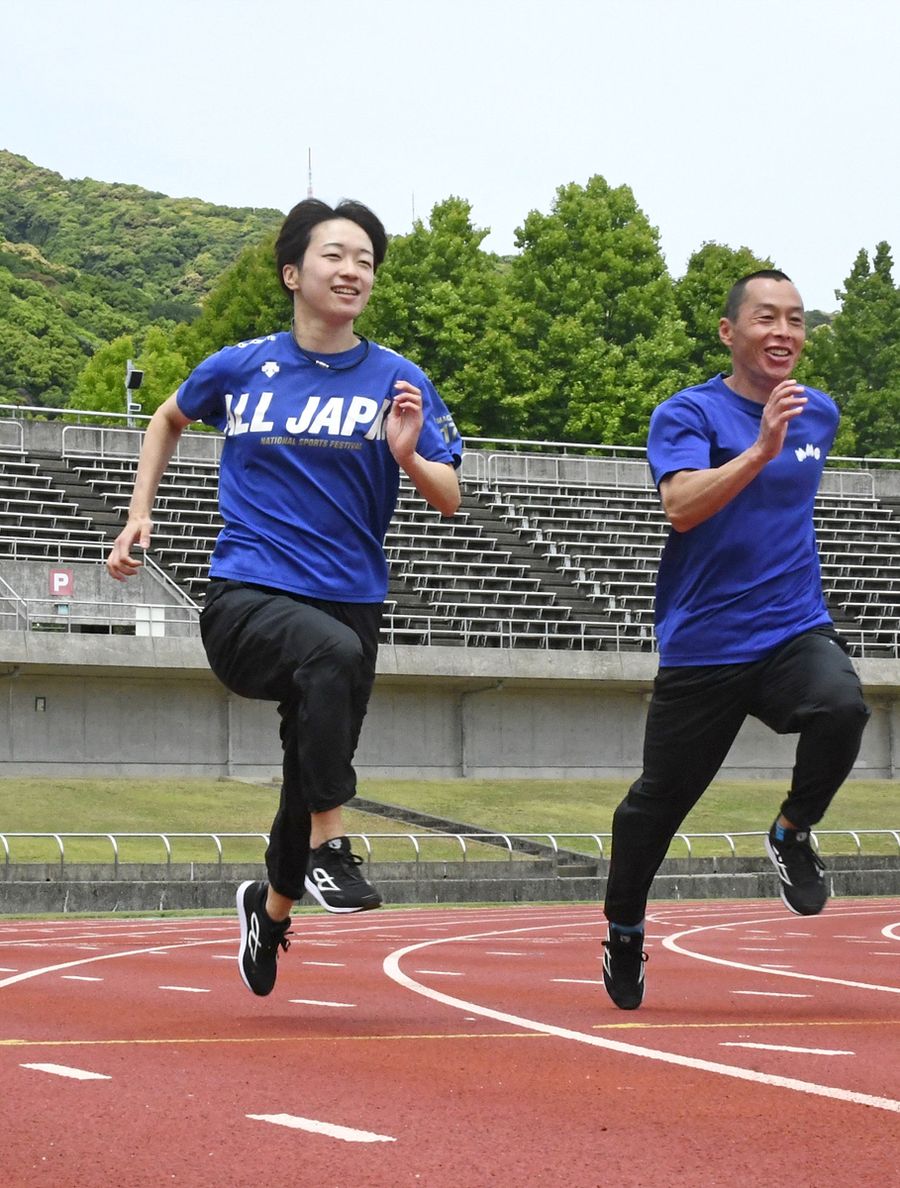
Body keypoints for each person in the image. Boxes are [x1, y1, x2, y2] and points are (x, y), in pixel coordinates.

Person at [107, 198, 462, 996]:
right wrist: (139, 514)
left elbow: (449, 496)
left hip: (350, 602)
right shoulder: (243, 365)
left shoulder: (398, 378)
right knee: (325, 666)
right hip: (249, 595)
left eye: (366, 260)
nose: (353, 271)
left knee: (308, 772)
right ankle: (335, 850)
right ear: (294, 273)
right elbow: (166, 418)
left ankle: (268, 912)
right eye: (336, 255)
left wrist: (406, 454)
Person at [601, 269, 870, 1011]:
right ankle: (624, 930)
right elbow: (681, 507)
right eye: (766, 318)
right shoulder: (687, 413)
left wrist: (779, 437)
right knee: (654, 808)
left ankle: (792, 831)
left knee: (843, 706)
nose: (784, 331)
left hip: (791, 627)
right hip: (705, 645)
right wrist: (758, 448)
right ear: (730, 332)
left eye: (796, 319)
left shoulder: (820, 413)